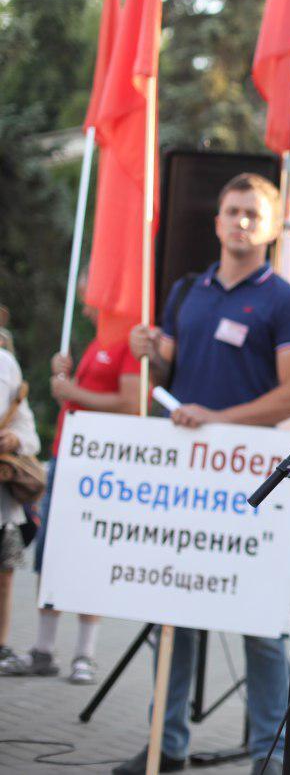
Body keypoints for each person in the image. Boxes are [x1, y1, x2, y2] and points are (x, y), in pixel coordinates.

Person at [122, 173, 290, 775]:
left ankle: (267, 753)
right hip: (187, 478)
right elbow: (169, 377)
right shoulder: (187, 293)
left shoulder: (285, 300)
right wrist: (146, 347)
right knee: (173, 612)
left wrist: (219, 420)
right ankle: (167, 745)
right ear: (215, 222)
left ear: (273, 225)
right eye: (231, 211)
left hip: (253, 481)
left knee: (259, 622)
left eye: (253, 213)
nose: (240, 222)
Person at [0, 277, 140, 683]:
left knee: (88, 556)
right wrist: (68, 380)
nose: (83, 308)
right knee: (53, 554)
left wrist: (71, 391)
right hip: (70, 458)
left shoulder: (127, 342)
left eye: (87, 300)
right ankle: (43, 649)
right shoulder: (96, 342)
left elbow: (132, 403)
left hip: (99, 465)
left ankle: (85, 653)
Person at [0, 344, 40, 672]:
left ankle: (1, 646)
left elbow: (30, 433)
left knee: (4, 576)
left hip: (2, 500)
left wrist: (15, 440)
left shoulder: (5, 364)